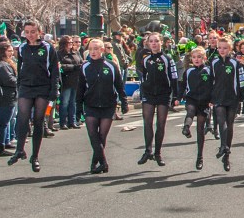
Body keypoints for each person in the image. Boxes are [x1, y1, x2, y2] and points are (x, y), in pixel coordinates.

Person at [9, 21, 58, 172]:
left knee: (38, 120)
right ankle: (19, 149)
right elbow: (20, 67)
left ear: (40, 32)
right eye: (27, 32)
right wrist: (19, 86)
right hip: (26, 86)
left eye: (33, 31)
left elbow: (54, 70)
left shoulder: (48, 48)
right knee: (23, 117)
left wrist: (54, 89)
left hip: (43, 86)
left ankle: (35, 156)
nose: (30, 35)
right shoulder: (22, 47)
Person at [78, 39, 129, 174]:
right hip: (90, 104)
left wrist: (124, 102)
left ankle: (95, 162)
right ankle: (104, 163)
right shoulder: (84, 67)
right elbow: (80, 88)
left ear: (102, 50)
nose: (93, 52)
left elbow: (119, 85)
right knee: (93, 135)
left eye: (96, 49)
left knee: (101, 136)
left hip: (108, 105)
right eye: (91, 49)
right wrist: (78, 106)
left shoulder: (111, 65)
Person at [135, 32, 179, 166]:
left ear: (161, 43)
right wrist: (143, 91)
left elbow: (174, 77)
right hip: (149, 94)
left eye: (156, 41)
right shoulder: (146, 59)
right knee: (147, 122)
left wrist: (175, 96)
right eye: (151, 41)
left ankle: (158, 153)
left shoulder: (167, 59)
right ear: (148, 44)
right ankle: (148, 150)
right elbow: (143, 77)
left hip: (163, 94)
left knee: (160, 124)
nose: (154, 44)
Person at [206, 37, 244, 171]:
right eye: (220, 48)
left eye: (225, 48)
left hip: (232, 97)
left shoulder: (235, 63)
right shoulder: (213, 62)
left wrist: (242, 95)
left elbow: (241, 79)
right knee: (221, 121)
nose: (222, 50)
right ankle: (223, 146)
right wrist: (209, 97)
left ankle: (226, 154)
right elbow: (210, 80)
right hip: (218, 97)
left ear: (230, 49)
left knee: (230, 124)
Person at [182, 47, 213, 170]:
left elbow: (213, 85)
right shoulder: (188, 71)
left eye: (199, 57)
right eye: (194, 57)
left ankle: (199, 157)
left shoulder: (208, 71)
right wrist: (178, 96)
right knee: (190, 111)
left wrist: (212, 99)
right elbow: (183, 85)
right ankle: (186, 127)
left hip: (204, 102)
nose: (196, 59)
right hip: (192, 98)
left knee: (200, 128)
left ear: (204, 58)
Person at [57, 35, 84, 130]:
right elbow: (60, 66)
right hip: (66, 81)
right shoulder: (60, 54)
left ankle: (72, 121)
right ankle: (63, 122)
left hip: (76, 80)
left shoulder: (76, 52)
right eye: (69, 43)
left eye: (72, 43)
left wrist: (80, 66)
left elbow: (81, 62)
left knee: (73, 102)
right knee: (65, 102)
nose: (71, 44)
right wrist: (73, 67)